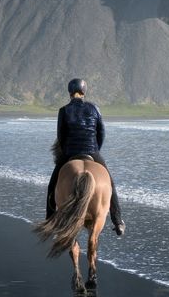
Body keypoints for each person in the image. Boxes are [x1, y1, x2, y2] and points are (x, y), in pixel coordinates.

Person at [46, 78, 123, 236]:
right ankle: (118, 221)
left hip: (69, 153)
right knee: (111, 185)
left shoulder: (64, 110)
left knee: (52, 184)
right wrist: (95, 150)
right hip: (92, 151)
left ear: (70, 92)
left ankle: (50, 219)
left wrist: (67, 151)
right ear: (84, 91)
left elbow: (61, 136)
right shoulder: (94, 108)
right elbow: (101, 133)